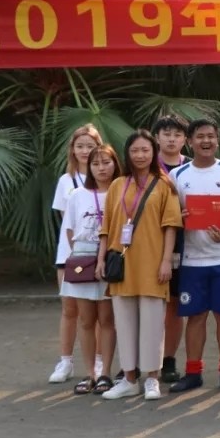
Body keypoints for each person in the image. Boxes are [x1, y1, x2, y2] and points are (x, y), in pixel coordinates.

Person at [98, 130, 183, 401]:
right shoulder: (117, 185)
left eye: (145, 150)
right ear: (127, 154)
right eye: (135, 150)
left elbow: (171, 226)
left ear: (153, 152)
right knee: (124, 324)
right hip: (122, 265)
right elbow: (106, 227)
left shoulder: (164, 185)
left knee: (153, 325)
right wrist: (101, 259)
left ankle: (152, 379)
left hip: (152, 264)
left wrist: (166, 260)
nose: (140, 155)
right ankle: (129, 379)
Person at [169, 118, 220, 393]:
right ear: (190, 142)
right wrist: (180, 216)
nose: (206, 141)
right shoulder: (177, 175)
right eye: (200, 136)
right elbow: (170, 215)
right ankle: (193, 372)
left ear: (217, 140)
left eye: (211, 136)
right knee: (196, 316)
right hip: (192, 260)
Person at [60, 144, 119, 396]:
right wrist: (83, 258)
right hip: (83, 258)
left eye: (106, 162)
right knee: (85, 320)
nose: (101, 168)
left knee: (107, 319)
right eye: (95, 164)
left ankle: (105, 372)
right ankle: (90, 373)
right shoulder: (77, 195)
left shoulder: (120, 191)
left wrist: (105, 256)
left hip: (111, 258)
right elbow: (70, 230)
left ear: (115, 164)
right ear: (89, 167)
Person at [49, 123, 104, 384]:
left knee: (98, 311)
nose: (84, 151)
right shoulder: (66, 180)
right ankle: (65, 361)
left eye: (90, 146)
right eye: (80, 146)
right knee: (70, 309)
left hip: (100, 254)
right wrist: (75, 252)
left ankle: (99, 362)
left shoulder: (108, 179)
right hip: (70, 255)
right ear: (72, 149)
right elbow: (67, 222)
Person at [153, 114, 189, 384]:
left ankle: (168, 360)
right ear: (157, 137)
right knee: (148, 304)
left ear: (185, 139)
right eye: (166, 134)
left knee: (175, 304)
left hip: (185, 244)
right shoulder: (145, 166)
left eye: (177, 135)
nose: (171, 139)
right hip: (150, 244)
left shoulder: (193, 167)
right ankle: (140, 359)